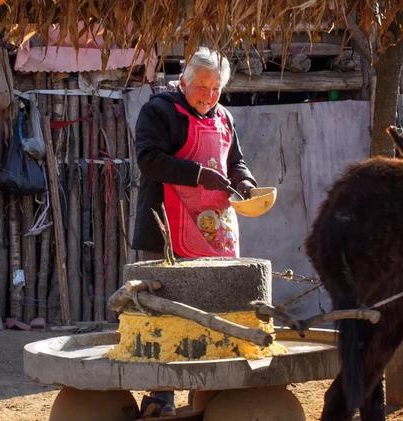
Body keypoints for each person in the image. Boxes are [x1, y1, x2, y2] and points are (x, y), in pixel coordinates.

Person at [131, 47, 257, 416]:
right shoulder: (159, 111)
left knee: (216, 308)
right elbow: (148, 160)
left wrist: (246, 183)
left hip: (213, 229)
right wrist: (199, 175)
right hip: (166, 229)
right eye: (202, 86)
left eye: (216, 88)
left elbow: (236, 161)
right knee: (166, 312)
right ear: (184, 81)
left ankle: (210, 393)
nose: (208, 95)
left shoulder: (224, 117)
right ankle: (160, 396)